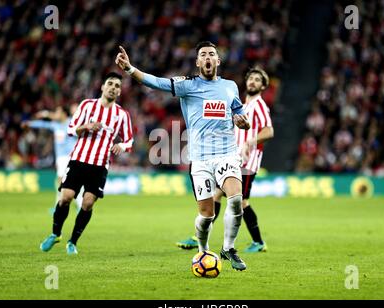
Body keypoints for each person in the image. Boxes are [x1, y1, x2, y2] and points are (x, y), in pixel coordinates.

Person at [115, 41, 251, 270]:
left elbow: (239, 111)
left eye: (211, 54)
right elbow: (156, 83)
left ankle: (229, 248)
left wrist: (243, 121)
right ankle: (202, 250)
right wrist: (130, 69)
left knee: (236, 200)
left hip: (227, 154)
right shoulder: (188, 85)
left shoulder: (230, 86)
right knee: (207, 215)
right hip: (200, 159)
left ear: (218, 61)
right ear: (198, 62)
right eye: (203, 55)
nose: (207, 58)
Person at [176, 67, 274, 253]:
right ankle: (199, 236)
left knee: (241, 201)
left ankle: (259, 242)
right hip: (232, 159)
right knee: (216, 196)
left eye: (257, 80)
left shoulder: (259, 105)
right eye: (250, 78)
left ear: (263, 86)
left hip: (246, 162)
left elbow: (269, 131)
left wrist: (250, 142)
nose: (252, 82)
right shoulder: (243, 105)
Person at [39, 72, 134, 255]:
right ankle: (55, 234)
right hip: (78, 160)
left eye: (117, 86)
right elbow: (70, 129)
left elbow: (129, 140)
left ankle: (72, 242)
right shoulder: (87, 105)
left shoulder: (122, 114)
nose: (114, 88)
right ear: (102, 87)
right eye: (110, 84)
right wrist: (86, 127)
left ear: (120, 92)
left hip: (100, 165)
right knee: (66, 197)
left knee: (88, 203)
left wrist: (121, 145)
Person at [22, 105, 84, 213]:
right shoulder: (56, 125)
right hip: (60, 158)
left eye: (58, 112)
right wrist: (30, 124)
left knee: (69, 181)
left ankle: (75, 205)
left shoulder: (71, 123)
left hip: (70, 156)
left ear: (64, 114)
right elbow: (43, 124)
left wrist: (46, 113)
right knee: (62, 181)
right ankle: (60, 205)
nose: (56, 115)